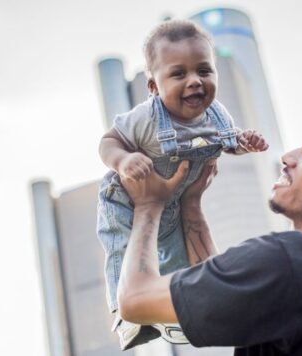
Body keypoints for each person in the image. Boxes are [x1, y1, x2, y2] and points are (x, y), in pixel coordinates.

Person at [117, 108, 302, 355]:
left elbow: (135, 301)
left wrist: (148, 205)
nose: (287, 157)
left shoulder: (288, 262)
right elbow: (230, 293)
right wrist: (190, 206)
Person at [96, 19, 268, 350]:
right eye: (179, 74)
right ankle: (126, 312)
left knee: (176, 256)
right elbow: (109, 141)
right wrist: (123, 160)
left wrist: (243, 142)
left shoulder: (217, 115)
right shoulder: (146, 117)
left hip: (173, 201)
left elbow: (228, 142)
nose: (194, 82)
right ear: (153, 86)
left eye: (204, 71)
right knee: (122, 247)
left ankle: (172, 312)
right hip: (128, 200)